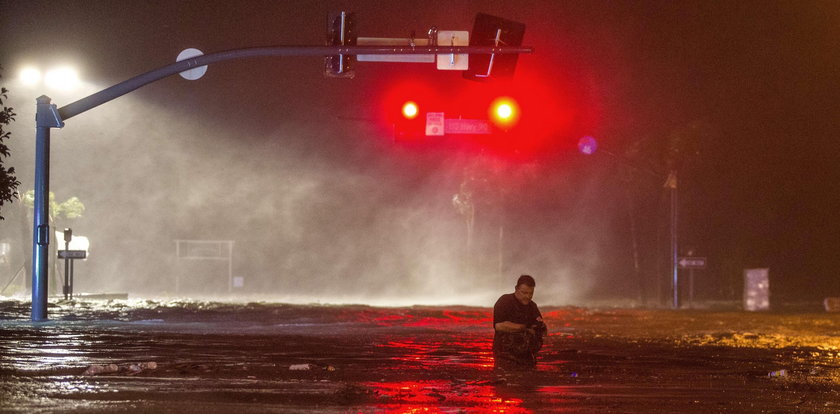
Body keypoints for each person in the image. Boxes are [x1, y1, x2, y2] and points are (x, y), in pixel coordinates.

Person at [493, 274, 547, 368]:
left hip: (527, 357)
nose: (528, 296)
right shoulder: (505, 301)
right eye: (524, 293)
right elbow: (499, 326)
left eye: (531, 293)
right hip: (505, 356)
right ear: (516, 289)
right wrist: (524, 328)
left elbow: (540, 327)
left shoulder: (532, 306)